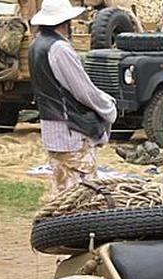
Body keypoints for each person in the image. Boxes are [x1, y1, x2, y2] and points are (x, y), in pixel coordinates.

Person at [29, 0, 117, 199]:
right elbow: (83, 91)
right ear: (65, 22)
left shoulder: (36, 45)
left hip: (52, 127)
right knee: (80, 194)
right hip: (71, 130)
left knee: (62, 190)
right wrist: (108, 109)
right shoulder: (59, 48)